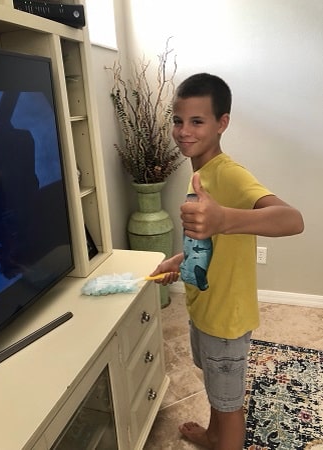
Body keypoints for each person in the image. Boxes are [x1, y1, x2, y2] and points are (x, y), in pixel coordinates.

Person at [150, 73, 304, 450]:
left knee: (230, 404)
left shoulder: (229, 174)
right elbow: (209, 243)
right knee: (216, 388)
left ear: (222, 124)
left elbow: (292, 219)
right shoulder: (201, 174)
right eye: (178, 120)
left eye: (197, 121)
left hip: (226, 320)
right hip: (205, 309)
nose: (184, 131)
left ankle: (225, 437)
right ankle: (213, 435)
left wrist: (225, 218)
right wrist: (179, 259)